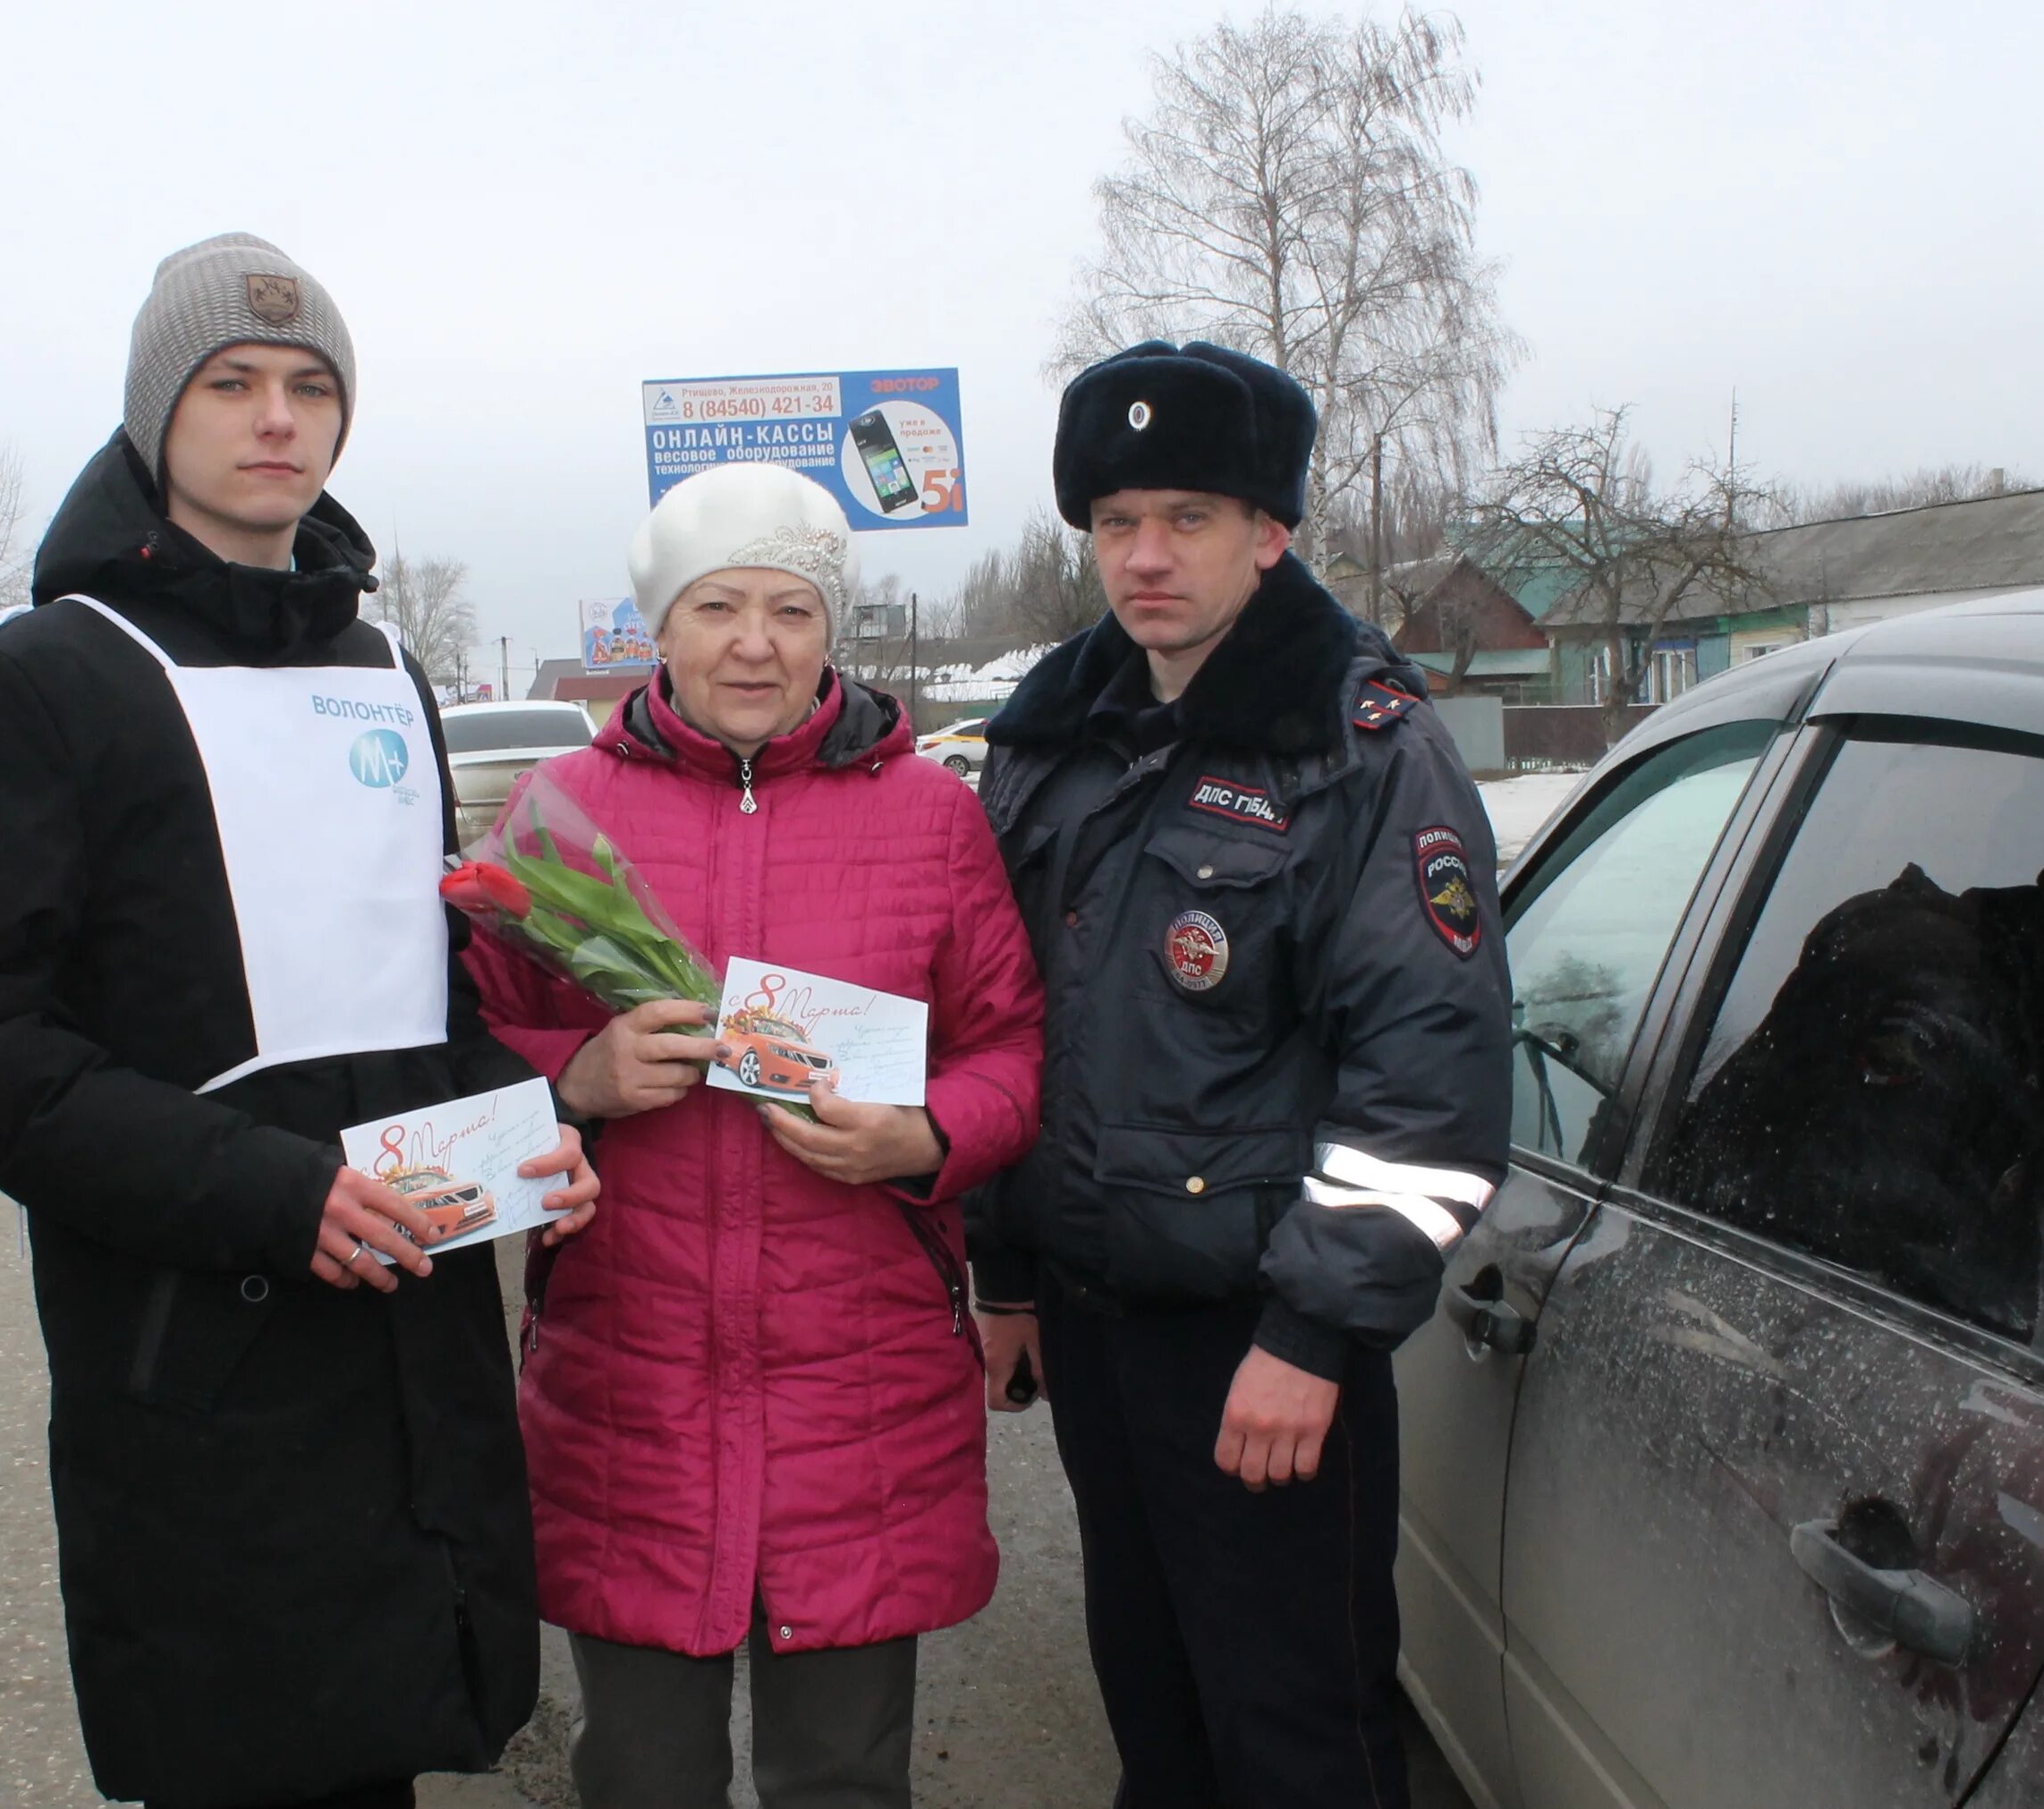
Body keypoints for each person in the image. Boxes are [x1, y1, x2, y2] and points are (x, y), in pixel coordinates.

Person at [0, 234, 597, 1809]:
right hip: (203, 1348)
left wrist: (520, 1123)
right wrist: (273, 1195)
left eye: (310, 387)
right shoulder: (42, 680)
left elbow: (422, 986)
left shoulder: (385, 665)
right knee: (254, 1756)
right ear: (157, 419)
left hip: (414, 1331)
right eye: (232, 384)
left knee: (390, 1743)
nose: (276, 417)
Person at [965, 341, 1514, 1807]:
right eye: (1116, 521)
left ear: (1270, 532)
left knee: (1298, 1743)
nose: (1145, 557)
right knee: (1158, 1724)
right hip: (1093, 1332)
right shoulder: (1051, 737)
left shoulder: (1361, 745)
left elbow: (1430, 1083)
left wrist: (1316, 1332)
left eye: (1189, 518)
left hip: (1261, 1346)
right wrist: (1006, 1270)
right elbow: (1014, 1018)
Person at [461, 462, 1044, 1809]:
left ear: (831, 629)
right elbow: (468, 1053)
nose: (754, 642)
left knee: (843, 1772)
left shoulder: (933, 820)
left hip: (862, 1390)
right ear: (656, 628)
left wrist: (925, 1137)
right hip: (635, 1382)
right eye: (717, 605)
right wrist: (579, 1076)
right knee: (644, 1773)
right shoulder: (563, 813)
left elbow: (1011, 1047)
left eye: (791, 608)